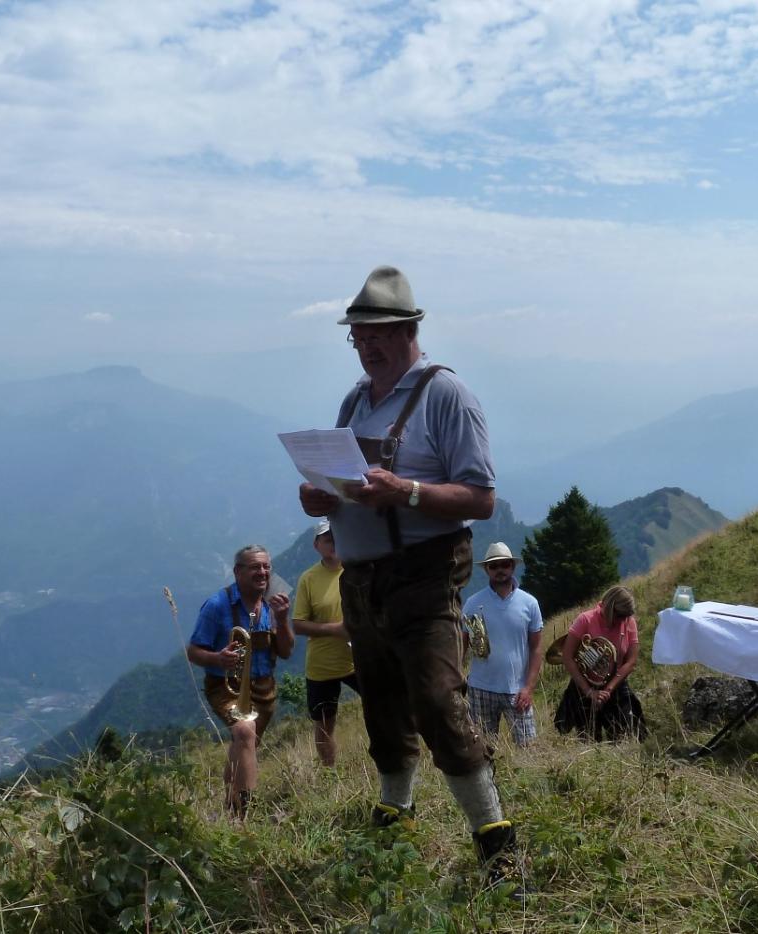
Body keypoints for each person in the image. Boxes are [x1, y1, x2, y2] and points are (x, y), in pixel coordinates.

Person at [297, 265, 520, 890]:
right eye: (358, 336)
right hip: (362, 578)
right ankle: (395, 811)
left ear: (409, 330)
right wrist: (324, 499)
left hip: (423, 573)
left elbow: (480, 499)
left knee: (435, 698)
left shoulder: (447, 396)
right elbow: (347, 484)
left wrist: (410, 492)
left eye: (377, 334)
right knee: (382, 701)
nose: (366, 346)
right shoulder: (355, 400)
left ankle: (494, 838)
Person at [186, 545, 294, 818]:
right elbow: (193, 652)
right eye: (255, 567)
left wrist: (282, 621)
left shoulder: (273, 603)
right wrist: (218, 658)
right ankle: (247, 814)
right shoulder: (217, 605)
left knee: (244, 745)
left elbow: (286, 651)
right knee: (245, 732)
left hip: (264, 687)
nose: (263, 572)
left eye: (266, 567)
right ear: (237, 572)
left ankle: (230, 809)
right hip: (225, 687)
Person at [462, 542, 544, 748]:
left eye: (504, 564)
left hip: (517, 690)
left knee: (528, 749)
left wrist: (528, 687)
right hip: (480, 688)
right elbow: (462, 645)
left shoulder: (530, 603)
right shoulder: (472, 602)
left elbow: (536, 649)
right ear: (486, 569)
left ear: (512, 567)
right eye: (494, 565)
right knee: (481, 751)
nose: (500, 570)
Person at [292, 520, 358, 766]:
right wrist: (338, 630)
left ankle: (388, 759)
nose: (333, 542)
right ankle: (329, 772)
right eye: (327, 539)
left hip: (360, 659)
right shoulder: (308, 579)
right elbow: (298, 624)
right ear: (316, 545)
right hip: (322, 665)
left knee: (382, 708)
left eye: (337, 536)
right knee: (324, 721)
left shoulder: (358, 569)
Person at [554, 585, 647, 741]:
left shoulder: (628, 621)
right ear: (611, 609)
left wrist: (608, 690)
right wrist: (589, 692)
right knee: (588, 739)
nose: (624, 620)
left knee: (629, 735)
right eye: (621, 616)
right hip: (584, 685)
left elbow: (631, 662)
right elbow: (568, 657)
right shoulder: (585, 619)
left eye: (627, 616)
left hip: (616, 684)